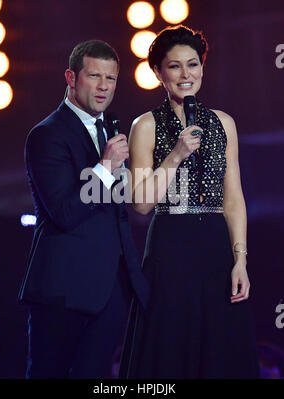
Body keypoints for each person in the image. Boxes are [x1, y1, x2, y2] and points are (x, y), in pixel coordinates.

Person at [119, 25, 259, 379]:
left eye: (192, 64)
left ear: (202, 68)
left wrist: (240, 259)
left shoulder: (223, 123)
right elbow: (140, 203)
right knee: (169, 347)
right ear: (158, 73)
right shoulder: (145, 125)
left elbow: (233, 198)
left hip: (215, 246)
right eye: (175, 66)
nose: (186, 74)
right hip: (170, 245)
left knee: (222, 349)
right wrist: (175, 155)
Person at [18, 39, 148, 379]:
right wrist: (105, 168)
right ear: (71, 78)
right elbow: (64, 211)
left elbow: (118, 214)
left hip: (110, 291)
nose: (104, 86)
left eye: (111, 78)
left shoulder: (110, 130)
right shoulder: (46, 135)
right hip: (63, 290)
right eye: (94, 76)